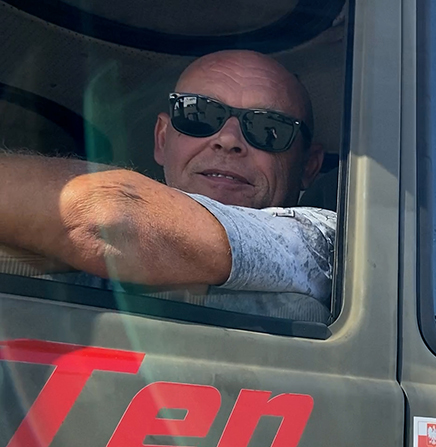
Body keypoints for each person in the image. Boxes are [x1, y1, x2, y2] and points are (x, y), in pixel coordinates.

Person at [0, 50, 336, 316]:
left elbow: (108, 217)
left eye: (268, 128)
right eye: (198, 113)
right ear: (162, 139)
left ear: (309, 166)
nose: (228, 139)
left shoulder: (327, 242)